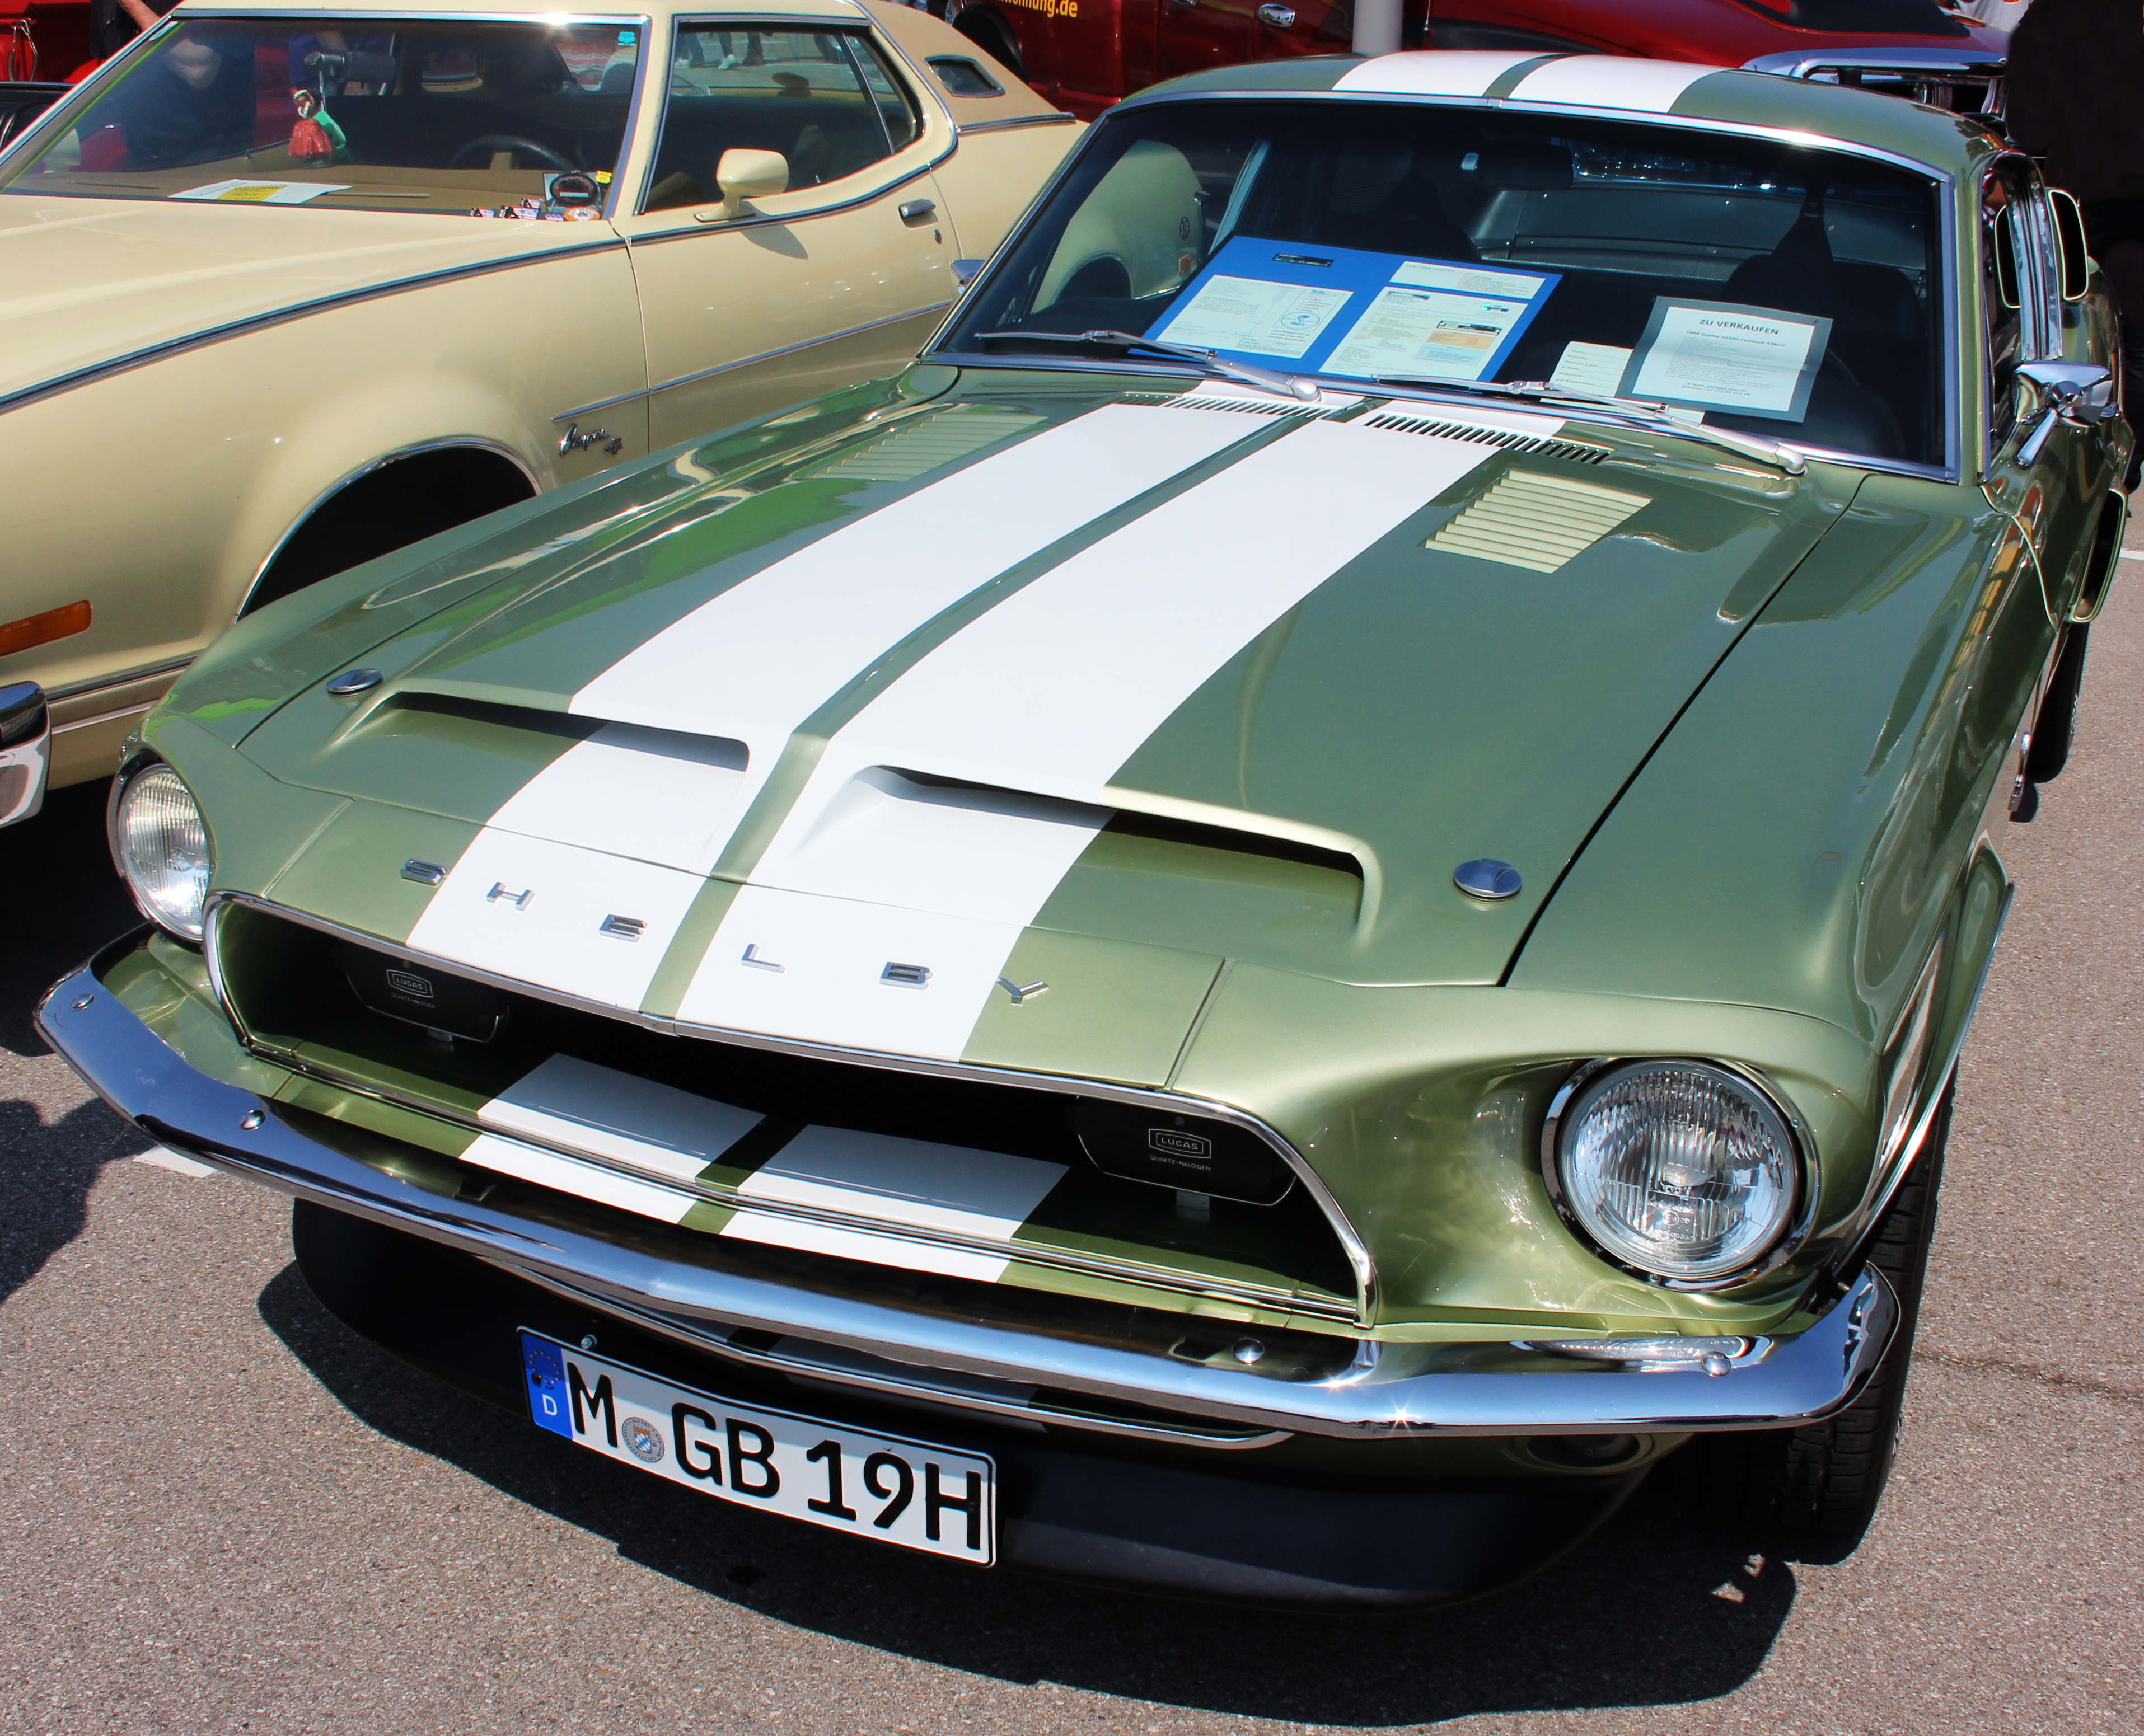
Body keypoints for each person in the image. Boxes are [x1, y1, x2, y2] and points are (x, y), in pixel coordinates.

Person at [2003, 0, 2144, 486]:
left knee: (2073, 330)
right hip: (2102, 188)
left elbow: (2027, 116)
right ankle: (2123, 462)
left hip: (2090, 192)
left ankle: (2100, 466)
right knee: (2133, 341)